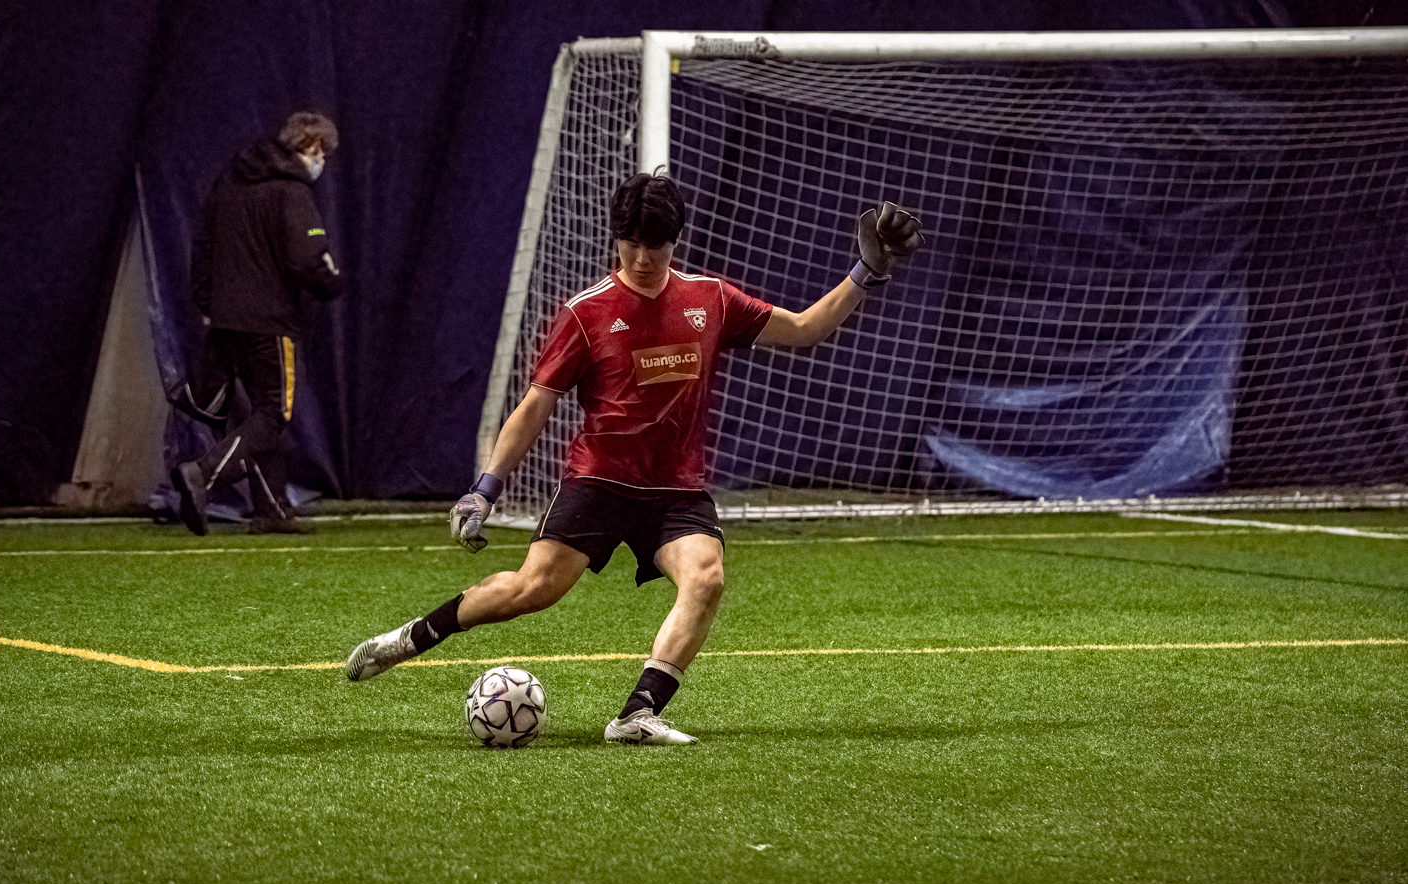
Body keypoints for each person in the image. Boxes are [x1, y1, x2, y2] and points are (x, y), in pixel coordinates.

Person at [346, 172, 924, 744]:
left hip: (676, 489)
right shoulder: (587, 313)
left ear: (676, 241)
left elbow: (803, 328)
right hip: (600, 481)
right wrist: (484, 489)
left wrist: (865, 273)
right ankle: (409, 639)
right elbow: (535, 406)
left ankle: (637, 715)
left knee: (706, 577)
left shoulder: (710, 299)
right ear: (616, 238)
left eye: (657, 245)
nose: (643, 258)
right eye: (631, 243)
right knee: (532, 590)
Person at [169, 111, 346, 535]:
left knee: (255, 415)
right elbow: (306, 259)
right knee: (272, 414)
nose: (322, 162)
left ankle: (272, 509)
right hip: (270, 321)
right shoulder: (292, 192)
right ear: (312, 147)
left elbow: (203, 244)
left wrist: (207, 302)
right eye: (322, 153)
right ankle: (203, 475)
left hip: (226, 320)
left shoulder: (230, 181)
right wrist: (332, 283)